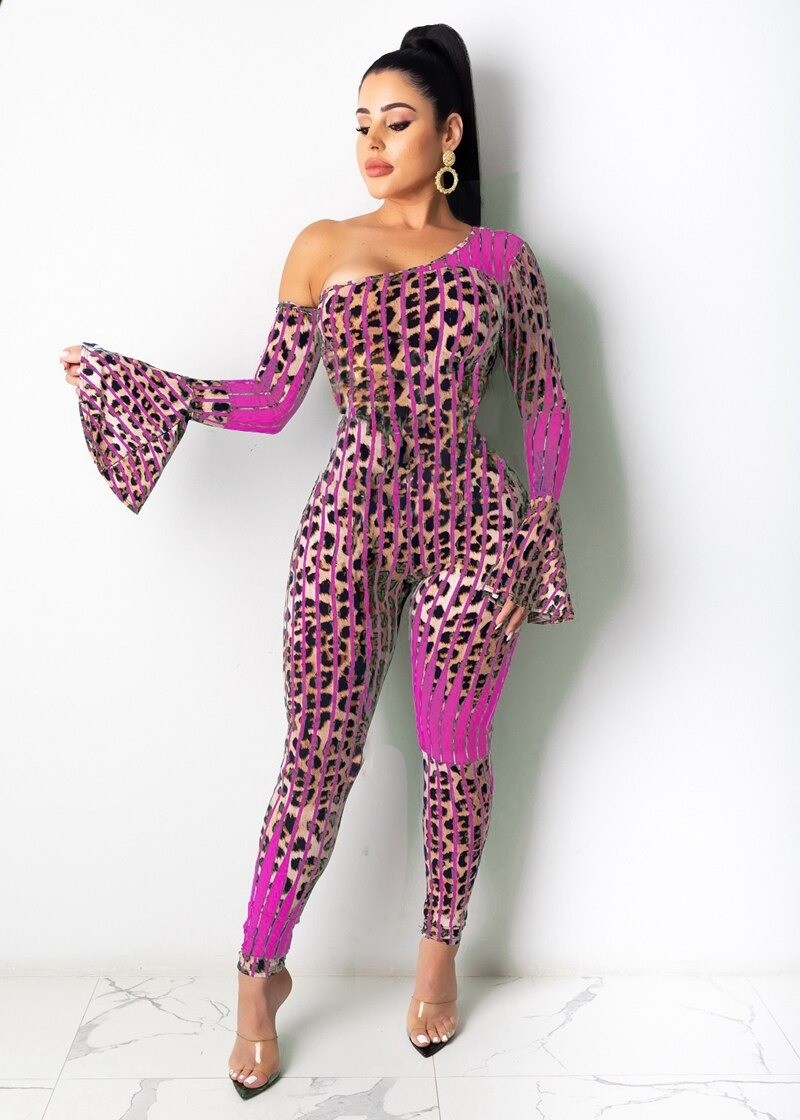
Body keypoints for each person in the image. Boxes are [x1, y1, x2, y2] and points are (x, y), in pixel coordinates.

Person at [61, 22, 575, 1102]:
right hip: (349, 524)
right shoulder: (321, 245)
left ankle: (436, 957)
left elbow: (541, 401)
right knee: (316, 760)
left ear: (448, 134)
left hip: (475, 526)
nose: (372, 144)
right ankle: (258, 976)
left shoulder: (502, 261)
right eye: (360, 125)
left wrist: (535, 539)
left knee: (453, 755)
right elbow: (271, 398)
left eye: (396, 122)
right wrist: (143, 386)